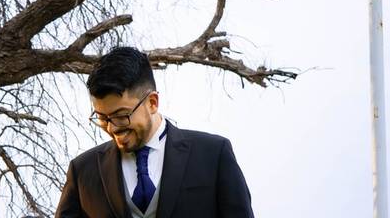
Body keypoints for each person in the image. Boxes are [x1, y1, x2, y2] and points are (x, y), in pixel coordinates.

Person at [55, 47, 254, 218]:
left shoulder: (213, 154)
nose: (112, 127)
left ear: (152, 103)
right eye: (102, 117)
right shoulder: (82, 171)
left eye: (121, 115)